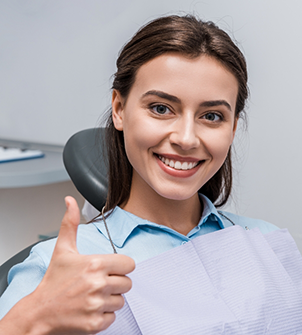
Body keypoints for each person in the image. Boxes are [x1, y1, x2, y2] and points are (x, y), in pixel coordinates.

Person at [0, 14, 301, 334]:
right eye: (161, 108)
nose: (186, 138)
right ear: (119, 108)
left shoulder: (268, 241)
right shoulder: (59, 268)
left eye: (212, 116)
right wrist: (33, 317)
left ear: (233, 128)